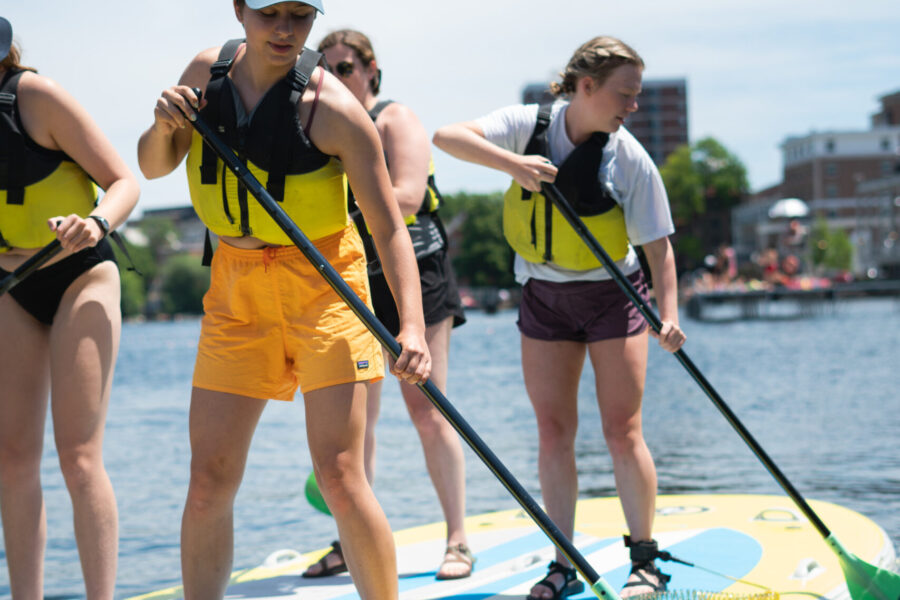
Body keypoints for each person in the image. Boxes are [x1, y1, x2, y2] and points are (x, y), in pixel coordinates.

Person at [136, 2, 430, 599]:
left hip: (325, 287)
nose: (284, 29)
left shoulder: (338, 111)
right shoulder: (205, 74)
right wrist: (165, 125)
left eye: (300, 15)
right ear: (240, 10)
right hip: (235, 289)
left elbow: (390, 228)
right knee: (208, 481)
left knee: (343, 477)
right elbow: (152, 165)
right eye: (270, 13)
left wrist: (416, 330)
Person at [433, 36, 687, 600]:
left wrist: (666, 317)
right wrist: (511, 164)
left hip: (612, 297)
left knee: (622, 431)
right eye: (626, 93)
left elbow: (660, 249)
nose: (633, 106)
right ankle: (562, 563)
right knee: (554, 433)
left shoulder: (629, 156)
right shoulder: (528, 126)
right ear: (586, 86)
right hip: (544, 298)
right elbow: (445, 137)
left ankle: (644, 560)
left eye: (639, 95)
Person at [302, 29, 472, 581]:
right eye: (326, 71)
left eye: (347, 68)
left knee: (427, 411)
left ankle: (459, 540)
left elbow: (407, 197)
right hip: (352, 281)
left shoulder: (396, 119)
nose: (339, 79)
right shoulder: (321, 126)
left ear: (372, 70)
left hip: (415, 277)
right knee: (354, 424)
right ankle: (349, 541)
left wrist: (333, 204)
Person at [0, 17, 140, 600]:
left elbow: (124, 180)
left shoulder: (38, 97)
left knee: (79, 457)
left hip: (80, 275)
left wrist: (96, 222)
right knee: (11, 459)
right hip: (11, 287)